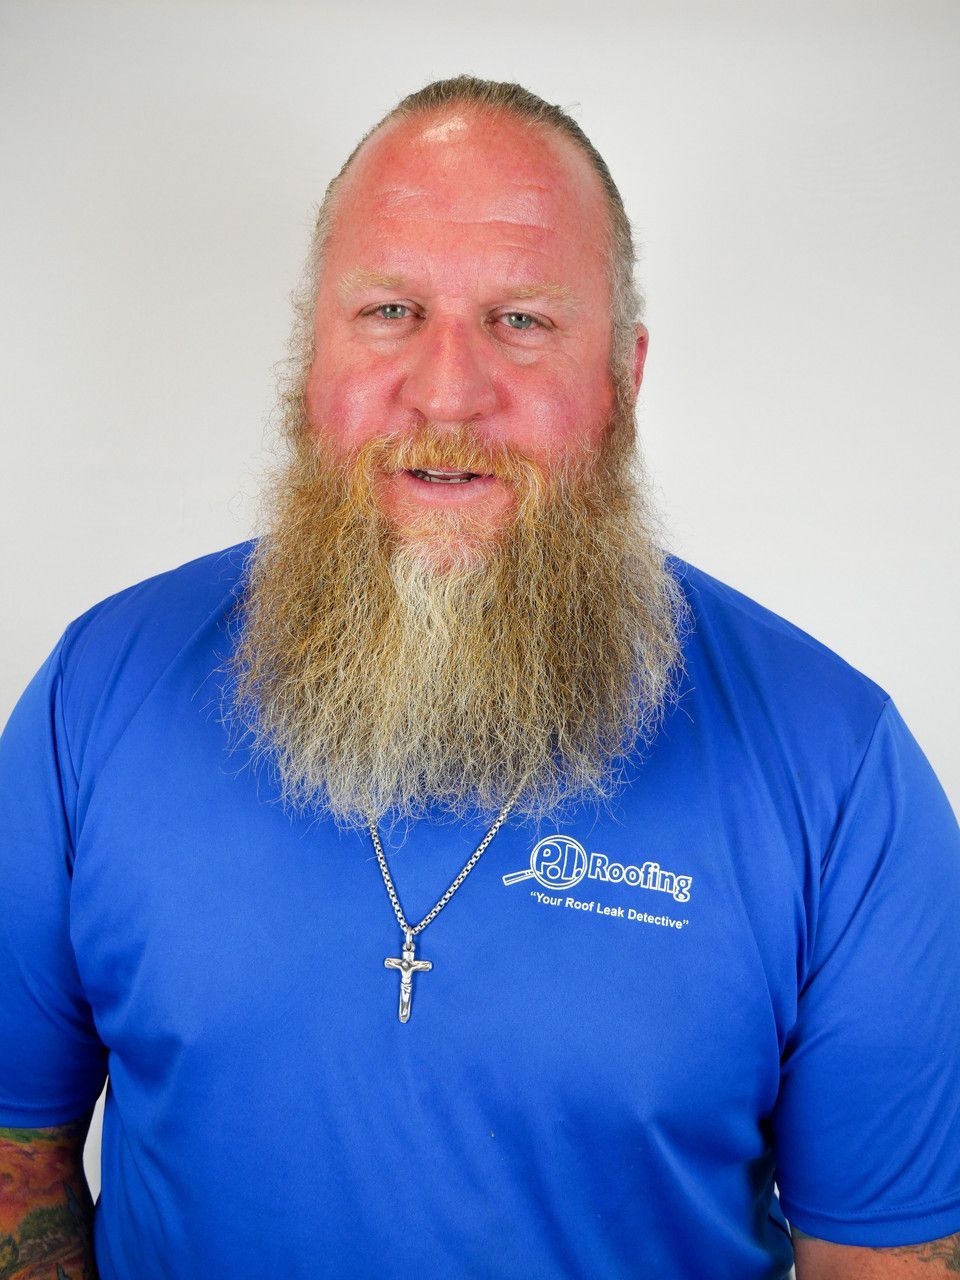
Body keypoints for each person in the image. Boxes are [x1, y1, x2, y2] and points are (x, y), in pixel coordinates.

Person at [0, 75, 958, 1280]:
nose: (447, 393)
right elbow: (16, 1149)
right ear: (311, 360)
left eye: (522, 320)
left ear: (623, 379)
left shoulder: (841, 773)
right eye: (392, 309)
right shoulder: (97, 693)